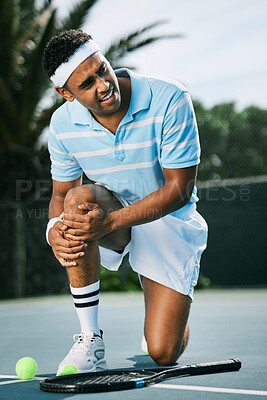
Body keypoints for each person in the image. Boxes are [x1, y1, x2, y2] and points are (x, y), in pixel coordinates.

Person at [43, 29, 208, 376]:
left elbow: (179, 189)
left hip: (169, 218)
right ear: (65, 94)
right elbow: (61, 193)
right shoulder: (61, 126)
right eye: (86, 84)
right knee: (77, 202)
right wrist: (52, 229)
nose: (103, 85)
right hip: (112, 208)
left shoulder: (170, 97)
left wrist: (111, 224)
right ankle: (90, 338)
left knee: (163, 352)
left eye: (102, 69)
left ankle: (169, 316)